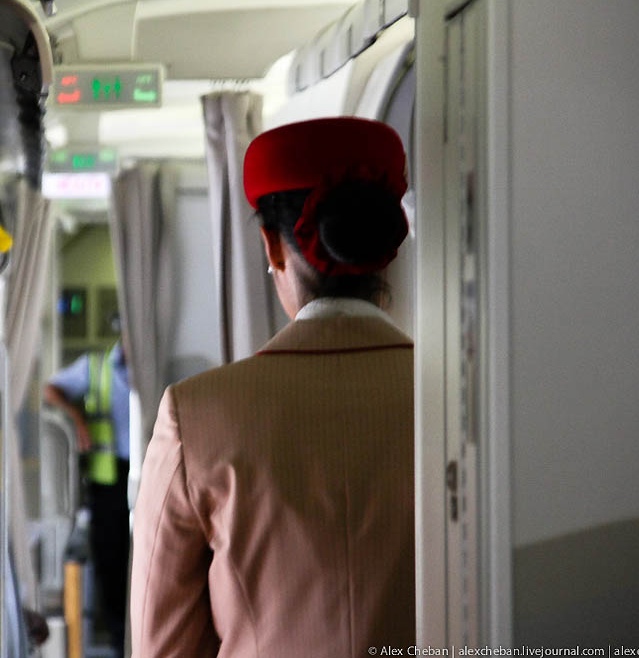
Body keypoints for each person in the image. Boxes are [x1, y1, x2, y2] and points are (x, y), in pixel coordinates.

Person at [130, 117, 415, 657]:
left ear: (272, 247)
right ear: (387, 246)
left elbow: (161, 645)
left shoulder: (194, 415)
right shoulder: (462, 407)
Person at [44, 336, 131, 655]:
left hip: (150, 472)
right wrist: (76, 419)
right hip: (109, 479)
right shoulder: (95, 368)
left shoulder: (155, 365)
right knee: (111, 562)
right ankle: (121, 642)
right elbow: (50, 390)